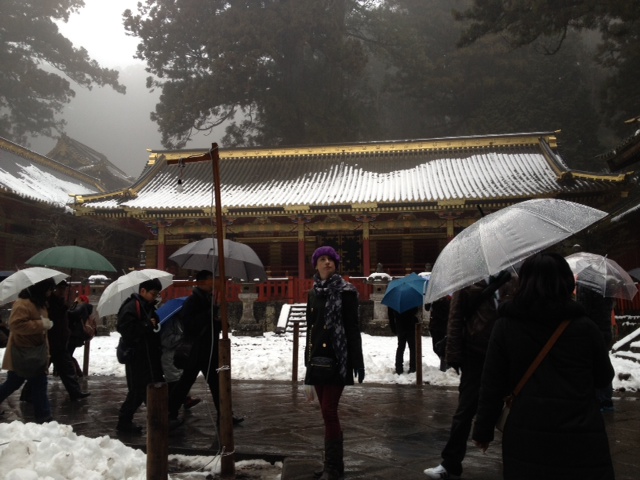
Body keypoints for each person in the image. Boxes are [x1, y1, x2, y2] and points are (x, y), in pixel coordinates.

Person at [471, 252, 615, 480]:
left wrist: (483, 430)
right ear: (566, 281)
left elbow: (492, 384)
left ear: (524, 283)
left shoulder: (505, 327)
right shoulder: (585, 327)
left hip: (526, 432)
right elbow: (603, 377)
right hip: (580, 434)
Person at [424, 270, 516, 480]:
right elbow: (455, 320)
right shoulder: (467, 282)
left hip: (506, 353)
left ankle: (516, 459)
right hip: (476, 353)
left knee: (512, 408)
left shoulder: (512, 282)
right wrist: (454, 356)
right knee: (465, 410)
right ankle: (451, 463)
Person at [305, 246, 365, 480]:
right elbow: (311, 330)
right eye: (322, 259)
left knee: (330, 410)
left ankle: (332, 467)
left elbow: (352, 329)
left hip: (338, 359)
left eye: (331, 259)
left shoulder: (347, 292)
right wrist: (307, 364)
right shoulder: (312, 293)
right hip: (318, 361)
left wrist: (357, 362)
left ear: (336, 263)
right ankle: (332, 466)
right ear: (316, 265)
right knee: (325, 412)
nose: (327, 262)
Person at [168, 270, 242, 426]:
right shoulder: (193, 301)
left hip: (210, 349)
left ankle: (225, 414)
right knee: (185, 384)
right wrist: (209, 314)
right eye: (210, 280)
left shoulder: (209, 300)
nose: (213, 283)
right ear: (201, 282)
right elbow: (189, 324)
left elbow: (209, 323)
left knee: (217, 384)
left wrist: (220, 323)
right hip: (196, 351)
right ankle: (169, 413)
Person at [0, 278, 55, 423]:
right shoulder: (23, 304)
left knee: (36, 383)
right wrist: (41, 324)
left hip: (36, 353)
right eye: (49, 289)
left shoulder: (39, 303)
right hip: (23, 353)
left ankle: (44, 416)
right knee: (16, 383)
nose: (50, 292)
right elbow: (16, 325)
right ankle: (44, 417)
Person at [115, 278, 164, 434]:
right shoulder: (131, 307)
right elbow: (127, 330)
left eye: (157, 294)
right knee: (137, 391)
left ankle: (159, 420)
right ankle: (124, 422)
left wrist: (155, 321)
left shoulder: (146, 307)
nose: (155, 297)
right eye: (153, 293)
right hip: (137, 357)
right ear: (143, 291)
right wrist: (147, 325)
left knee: (151, 388)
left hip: (149, 356)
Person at [41, 281, 90, 401]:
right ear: (54, 289)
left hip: (61, 341)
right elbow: (51, 318)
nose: (62, 291)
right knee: (42, 370)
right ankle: (27, 393)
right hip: (53, 341)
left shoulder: (60, 302)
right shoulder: (49, 302)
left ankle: (75, 392)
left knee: (67, 368)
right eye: (60, 288)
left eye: (64, 289)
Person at [575, 284, 616, 412]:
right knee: (604, 362)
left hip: (591, 330)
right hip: (605, 329)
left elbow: (584, 310)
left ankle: (598, 398)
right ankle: (606, 399)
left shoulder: (586, 287)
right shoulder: (606, 287)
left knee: (592, 364)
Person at [67, 294, 93, 377]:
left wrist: (64, 309)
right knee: (68, 355)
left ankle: (76, 373)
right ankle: (77, 373)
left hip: (74, 335)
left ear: (81, 300)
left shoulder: (81, 306)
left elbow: (73, 314)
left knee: (67, 355)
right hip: (76, 335)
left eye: (78, 298)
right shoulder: (84, 308)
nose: (76, 299)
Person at [388, 306, 419, 374]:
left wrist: (393, 327)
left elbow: (390, 315)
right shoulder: (410, 299)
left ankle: (399, 368)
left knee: (401, 347)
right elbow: (415, 311)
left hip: (400, 326)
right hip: (410, 325)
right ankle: (413, 367)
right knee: (412, 347)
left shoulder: (394, 300)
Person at [426, 295, 450, 372]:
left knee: (441, 348)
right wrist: (429, 302)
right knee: (436, 348)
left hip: (442, 328)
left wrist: (435, 305)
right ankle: (446, 363)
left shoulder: (446, 300)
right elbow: (426, 308)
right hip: (434, 327)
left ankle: (445, 365)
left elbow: (444, 315)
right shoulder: (433, 299)